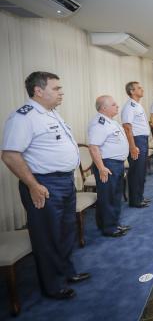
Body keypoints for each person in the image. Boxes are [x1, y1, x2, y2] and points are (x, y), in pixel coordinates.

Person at [2, 71, 88, 300]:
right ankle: (53, 286)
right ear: (38, 91)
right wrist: (32, 185)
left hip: (64, 182)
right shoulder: (24, 117)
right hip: (44, 185)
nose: (61, 93)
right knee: (47, 236)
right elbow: (10, 155)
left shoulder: (51, 114)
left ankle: (67, 271)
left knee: (66, 230)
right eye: (56, 88)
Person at [87, 96, 130, 237]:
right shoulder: (99, 123)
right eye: (113, 104)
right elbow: (93, 147)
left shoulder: (110, 122)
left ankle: (113, 223)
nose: (117, 106)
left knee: (115, 195)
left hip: (115, 164)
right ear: (103, 108)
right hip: (107, 165)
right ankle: (109, 228)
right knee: (108, 196)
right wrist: (101, 168)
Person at [121, 81, 151, 208]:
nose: (142, 89)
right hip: (136, 141)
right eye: (139, 88)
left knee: (141, 171)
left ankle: (139, 196)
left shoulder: (137, 105)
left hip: (142, 140)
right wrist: (132, 147)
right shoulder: (129, 107)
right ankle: (135, 200)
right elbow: (127, 128)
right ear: (132, 91)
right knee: (136, 172)